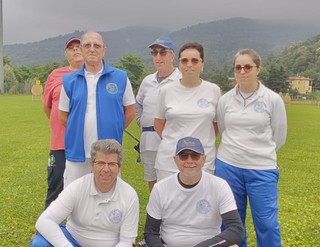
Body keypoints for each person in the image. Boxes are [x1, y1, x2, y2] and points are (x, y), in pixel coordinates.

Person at [215, 48, 292, 247]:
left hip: (261, 169)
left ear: (258, 69)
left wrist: (257, 156)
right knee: (233, 225)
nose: (243, 72)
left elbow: (278, 136)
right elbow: (224, 129)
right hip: (228, 167)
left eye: (248, 67)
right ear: (234, 70)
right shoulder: (225, 101)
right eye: (238, 67)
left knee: (267, 225)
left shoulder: (272, 99)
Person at [144, 136, 245, 247]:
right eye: (183, 156)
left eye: (195, 156)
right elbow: (150, 234)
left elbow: (237, 230)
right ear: (175, 159)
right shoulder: (161, 189)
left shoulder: (219, 186)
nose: (189, 161)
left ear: (204, 159)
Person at [58, 31, 136, 187]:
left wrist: (113, 127)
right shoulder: (69, 81)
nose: (92, 49)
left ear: (104, 50)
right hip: (78, 154)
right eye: (87, 45)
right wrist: (79, 128)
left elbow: (130, 111)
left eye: (97, 45)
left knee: (109, 197)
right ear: (81, 49)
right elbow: (63, 115)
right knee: (75, 198)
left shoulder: (120, 77)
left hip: (109, 154)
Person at [154, 42, 220, 181]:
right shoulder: (166, 90)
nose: (189, 64)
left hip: (203, 161)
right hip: (169, 161)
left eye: (195, 60)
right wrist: (174, 141)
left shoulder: (213, 90)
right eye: (184, 60)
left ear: (202, 64)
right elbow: (158, 123)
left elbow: (215, 125)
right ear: (179, 64)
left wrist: (201, 141)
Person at [42, 37, 84, 208]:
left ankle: (79, 229)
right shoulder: (55, 75)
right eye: (71, 48)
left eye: (78, 47)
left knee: (82, 187)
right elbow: (47, 108)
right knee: (55, 184)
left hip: (82, 143)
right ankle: (46, 230)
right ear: (66, 54)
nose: (75, 50)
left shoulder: (92, 74)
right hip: (59, 144)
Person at [136, 36, 181, 191]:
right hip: (148, 141)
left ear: (172, 56)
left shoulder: (180, 79)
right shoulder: (147, 80)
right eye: (154, 53)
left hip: (169, 142)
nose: (158, 57)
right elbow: (138, 103)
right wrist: (139, 121)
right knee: (152, 182)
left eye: (163, 52)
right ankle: (156, 214)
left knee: (172, 182)